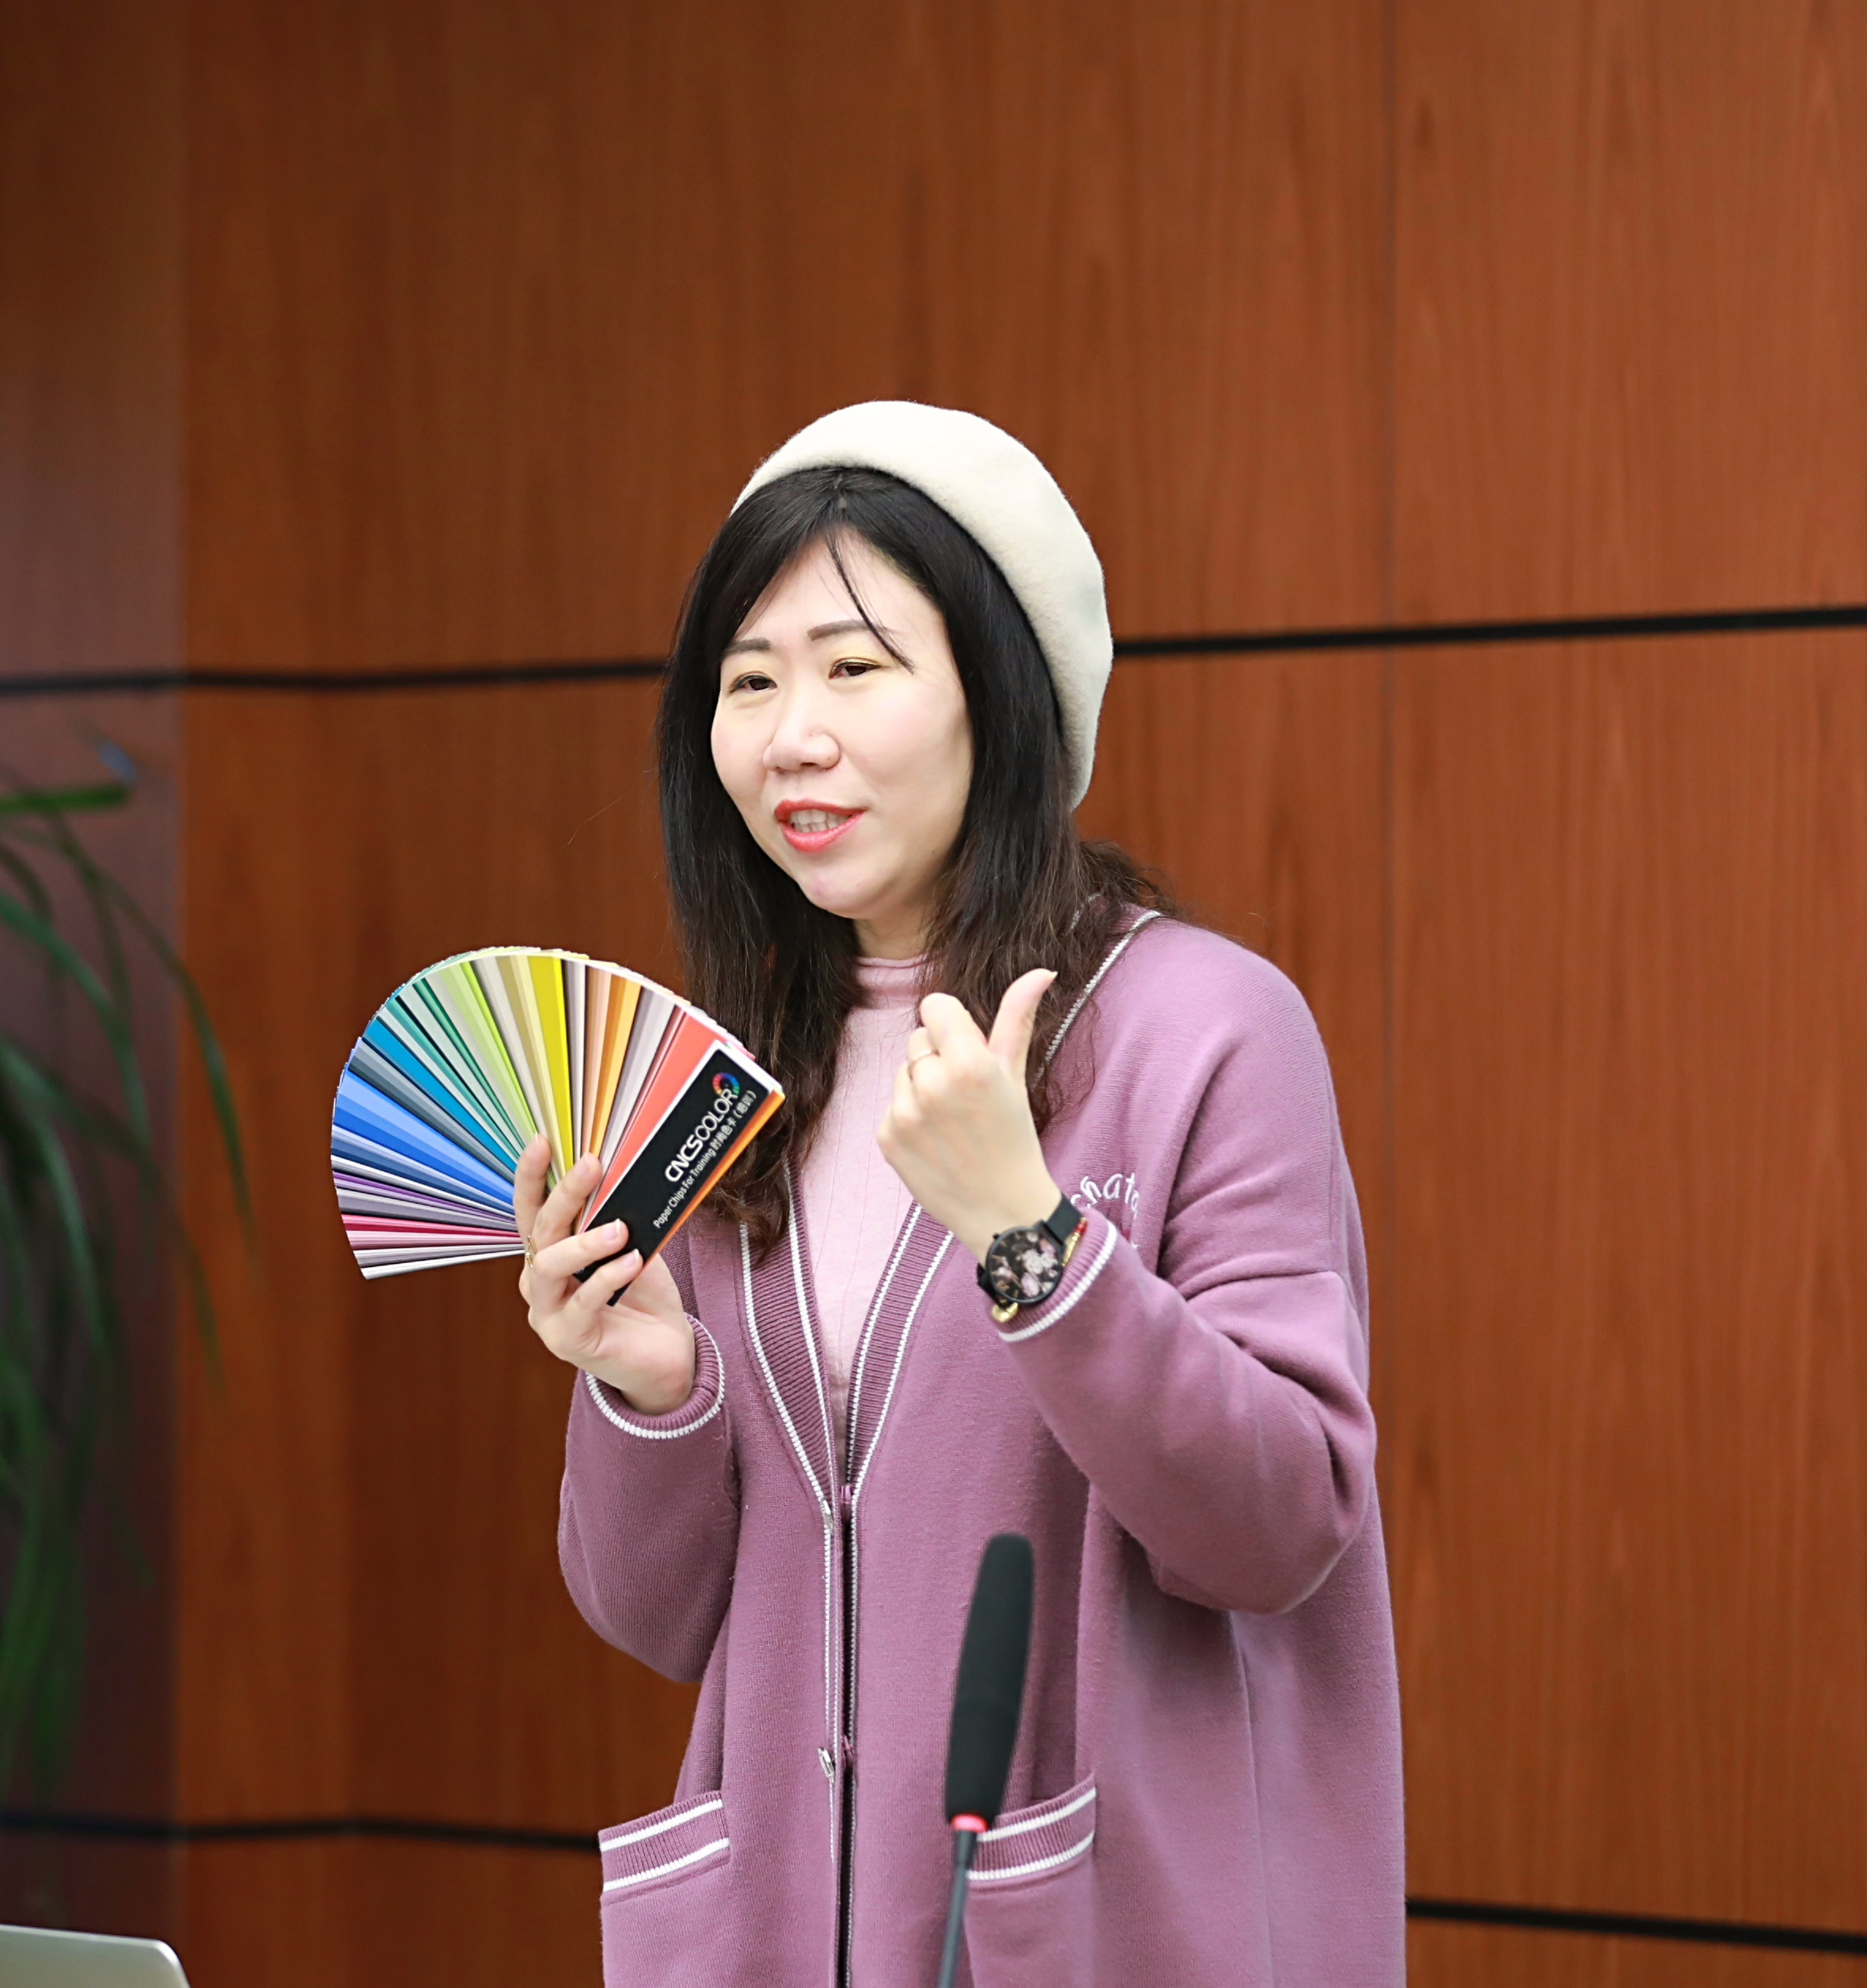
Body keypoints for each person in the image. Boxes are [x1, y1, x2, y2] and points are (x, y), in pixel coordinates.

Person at [514, 402, 1402, 1987]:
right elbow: (656, 1618)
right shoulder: (728, 1086)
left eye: (855, 667)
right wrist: (647, 1387)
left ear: (1002, 696)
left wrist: (1034, 1242)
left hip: (1106, 1935)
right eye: (747, 681)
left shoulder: (1202, 1028)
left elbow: (1277, 1528)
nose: (791, 736)